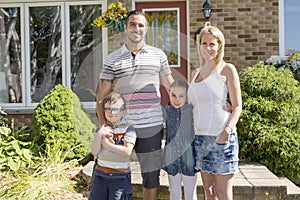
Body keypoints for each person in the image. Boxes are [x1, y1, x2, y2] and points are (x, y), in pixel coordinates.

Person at [96, 10, 174, 200]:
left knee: (151, 179)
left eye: (140, 25)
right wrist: (103, 126)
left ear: (146, 29)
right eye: (132, 24)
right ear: (125, 28)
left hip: (152, 126)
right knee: (116, 175)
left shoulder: (158, 55)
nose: (136, 28)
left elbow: (172, 88)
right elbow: (101, 97)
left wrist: (205, 99)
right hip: (122, 127)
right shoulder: (113, 59)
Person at [187, 22, 242, 200]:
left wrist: (227, 130)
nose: (208, 47)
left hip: (221, 138)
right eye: (204, 43)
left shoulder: (227, 70)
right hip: (200, 139)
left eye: (212, 43)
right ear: (199, 45)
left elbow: (238, 106)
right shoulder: (194, 73)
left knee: (222, 194)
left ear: (219, 46)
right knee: (209, 194)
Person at [89, 92, 137, 200]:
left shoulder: (129, 129)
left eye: (116, 109)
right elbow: (94, 151)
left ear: (123, 111)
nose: (111, 112)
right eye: (107, 109)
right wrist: (100, 134)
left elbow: (127, 151)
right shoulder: (101, 130)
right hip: (100, 175)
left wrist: (108, 145)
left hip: (120, 177)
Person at [162, 80, 198, 200]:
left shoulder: (193, 110)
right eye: (173, 95)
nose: (177, 99)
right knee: (174, 194)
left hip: (189, 159)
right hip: (171, 159)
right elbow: (149, 114)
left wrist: (227, 107)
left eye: (181, 96)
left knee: (191, 195)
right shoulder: (166, 111)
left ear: (187, 96)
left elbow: (211, 110)